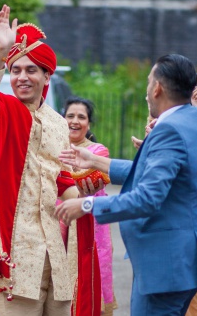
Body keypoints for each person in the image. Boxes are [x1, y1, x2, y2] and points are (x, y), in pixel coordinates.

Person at [62, 54, 197, 316]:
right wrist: (95, 160)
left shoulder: (169, 130)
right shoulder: (189, 119)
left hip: (166, 264)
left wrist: (87, 203)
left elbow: (148, 198)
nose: (146, 92)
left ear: (157, 88)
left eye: (147, 83)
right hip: (182, 260)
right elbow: (153, 173)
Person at [0, 9, 77, 316]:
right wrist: (0, 54)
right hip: (15, 251)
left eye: (31, 70)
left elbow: (64, 180)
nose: (22, 77)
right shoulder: (2, 112)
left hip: (55, 251)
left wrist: (88, 199)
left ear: (47, 75)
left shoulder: (59, 123)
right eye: (16, 70)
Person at [63, 100, 115, 316]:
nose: (75, 121)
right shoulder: (54, 148)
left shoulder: (97, 152)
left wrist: (77, 166)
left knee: (88, 291)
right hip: (58, 225)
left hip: (90, 229)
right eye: (70, 116)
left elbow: (95, 182)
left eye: (81, 117)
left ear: (89, 123)